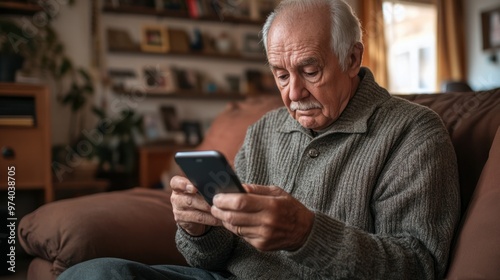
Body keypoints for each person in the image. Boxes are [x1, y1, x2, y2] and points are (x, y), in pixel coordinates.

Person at [58, 0, 460, 279]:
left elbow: (418, 267)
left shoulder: (413, 133)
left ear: (352, 59)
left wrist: (307, 234)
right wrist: (199, 230)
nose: (294, 93)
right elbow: (214, 259)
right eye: (281, 75)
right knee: (93, 273)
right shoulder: (265, 130)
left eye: (310, 70)